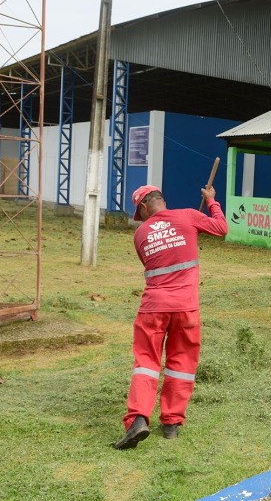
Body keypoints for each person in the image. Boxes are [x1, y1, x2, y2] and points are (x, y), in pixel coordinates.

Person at [114, 182, 229, 450]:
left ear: (143, 207)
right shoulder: (189, 216)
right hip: (186, 308)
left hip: (153, 308)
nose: (139, 218)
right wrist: (211, 200)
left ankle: (139, 419)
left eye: (138, 212)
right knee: (181, 364)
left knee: (146, 363)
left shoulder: (140, 234)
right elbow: (221, 228)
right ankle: (171, 424)